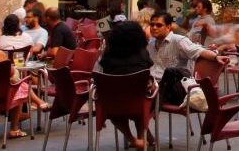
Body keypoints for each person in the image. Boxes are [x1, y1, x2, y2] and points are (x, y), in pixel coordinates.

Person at [98, 21, 155, 150]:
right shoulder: (143, 55)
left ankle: (132, 138)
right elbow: (148, 78)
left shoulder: (107, 58)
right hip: (139, 103)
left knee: (115, 110)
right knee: (145, 99)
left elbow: (98, 76)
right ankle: (143, 137)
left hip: (112, 105)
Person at [146, 12, 228, 81]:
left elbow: (198, 50)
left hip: (172, 86)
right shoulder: (151, 43)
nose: (154, 28)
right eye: (152, 25)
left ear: (168, 27)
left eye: (159, 25)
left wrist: (216, 57)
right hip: (152, 82)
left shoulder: (178, 40)